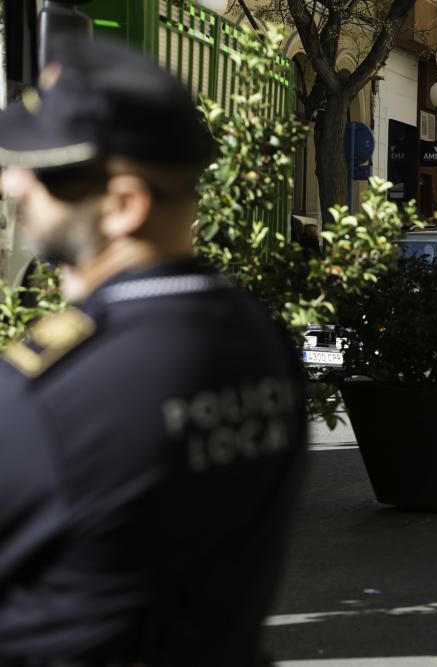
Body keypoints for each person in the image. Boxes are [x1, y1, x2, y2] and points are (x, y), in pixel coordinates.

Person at [0, 37, 307, 666]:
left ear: (124, 205)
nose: (12, 182)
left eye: (42, 171)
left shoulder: (49, 394)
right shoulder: (260, 337)